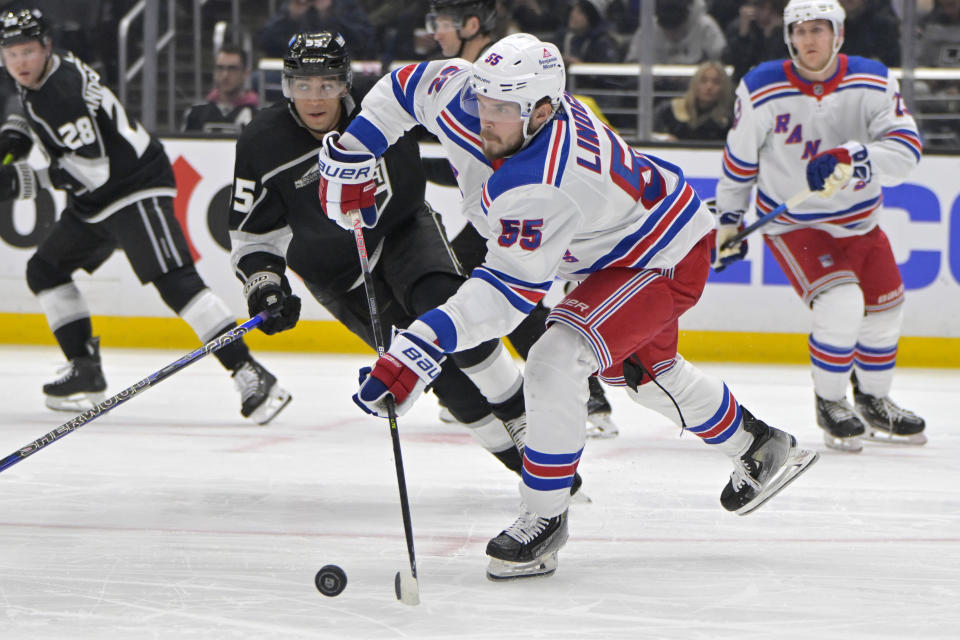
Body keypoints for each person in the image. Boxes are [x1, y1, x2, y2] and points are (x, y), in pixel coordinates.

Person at [317, 32, 818, 580]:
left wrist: (421, 344)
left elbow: (508, 295)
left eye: (503, 110)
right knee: (646, 375)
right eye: (483, 101)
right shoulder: (465, 96)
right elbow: (404, 88)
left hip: (658, 255)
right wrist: (357, 148)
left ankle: (544, 517)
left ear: (543, 110)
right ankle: (759, 445)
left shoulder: (549, 178)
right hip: (615, 247)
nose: (486, 119)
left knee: (557, 357)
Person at [229, 31, 569, 488]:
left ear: (347, 83)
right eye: (301, 85)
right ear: (285, 86)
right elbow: (253, 237)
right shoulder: (261, 142)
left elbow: (464, 118)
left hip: (405, 228)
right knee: (442, 378)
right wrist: (265, 285)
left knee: (447, 310)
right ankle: (518, 463)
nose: (314, 97)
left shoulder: (381, 103)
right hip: (338, 275)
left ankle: (521, 420)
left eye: (327, 84)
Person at [0, 8, 290, 424]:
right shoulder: (45, 73)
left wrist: (20, 180)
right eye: (10, 54)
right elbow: (31, 110)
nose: (20, 62)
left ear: (46, 46)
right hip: (96, 198)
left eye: (27, 51)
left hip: (133, 185)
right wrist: (13, 136)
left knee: (175, 281)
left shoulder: (59, 92)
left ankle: (250, 371)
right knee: (45, 270)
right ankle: (85, 368)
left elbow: (93, 169)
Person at [714, 0, 926, 453]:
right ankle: (830, 401)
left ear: (839, 33)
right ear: (789, 36)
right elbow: (740, 160)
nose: (809, 39)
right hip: (795, 225)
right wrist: (729, 219)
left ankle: (873, 398)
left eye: (819, 29)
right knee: (842, 303)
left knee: (886, 312)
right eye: (801, 30)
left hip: (861, 221)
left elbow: (907, 151)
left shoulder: (872, 78)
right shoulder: (760, 86)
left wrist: (854, 157)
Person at [424, 0, 619, 438]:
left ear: (471, 26)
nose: (435, 32)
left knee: (490, 288)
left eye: (443, 23)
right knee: (479, 287)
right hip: (505, 206)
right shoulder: (467, 78)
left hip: (531, 203)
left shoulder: (505, 78)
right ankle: (576, 394)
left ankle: (585, 395)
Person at [257, 0, 375, 59]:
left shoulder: (345, 5)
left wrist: (329, 14)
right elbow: (264, 42)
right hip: (296, 66)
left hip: (337, 65)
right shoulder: (293, 6)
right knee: (259, 78)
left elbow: (364, 41)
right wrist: (291, 17)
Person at [182, 44, 258, 135]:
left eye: (232, 68)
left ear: (246, 73)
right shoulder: (195, 114)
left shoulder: (258, 116)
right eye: (220, 68)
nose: (225, 75)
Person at [625, 0, 726, 65]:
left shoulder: (706, 26)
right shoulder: (649, 28)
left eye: (677, 30)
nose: (672, 36)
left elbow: (721, 60)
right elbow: (632, 62)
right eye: (667, 31)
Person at [652, 60, 733, 141]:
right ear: (695, 84)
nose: (709, 87)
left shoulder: (730, 120)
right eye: (703, 81)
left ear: (723, 87)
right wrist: (664, 138)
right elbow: (651, 135)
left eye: (716, 82)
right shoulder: (669, 111)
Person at [721, 0, 788, 86]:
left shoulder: (784, 32)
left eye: (772, 9)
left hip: (775, 82)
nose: (766, 13)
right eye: (761, 8)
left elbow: (776, 63)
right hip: (742, 81)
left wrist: (771, 36)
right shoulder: (738, 27)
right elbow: (729, 59)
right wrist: (743, 34)